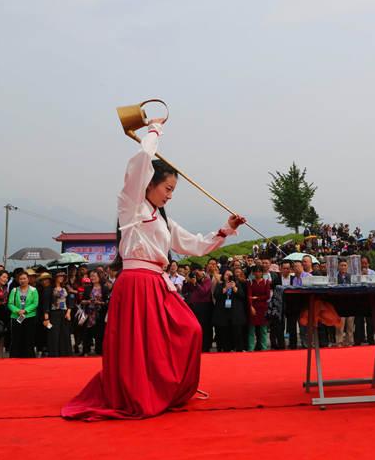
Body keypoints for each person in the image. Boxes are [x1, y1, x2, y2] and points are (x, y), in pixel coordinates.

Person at [62, 116, 245, 421]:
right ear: (150, 183)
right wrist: (154, 131)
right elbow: (142, 161)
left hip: (157, 284)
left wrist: (227, 228)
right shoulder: (131, 206)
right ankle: (141, 393)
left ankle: (168, 389)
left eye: (173, 190)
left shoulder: (162, 219)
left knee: (190, 329)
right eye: (168, 188)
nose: (170, 195)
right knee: (140, 346)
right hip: (135, 283)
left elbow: (195, 245)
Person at [212, 270, 247, 352]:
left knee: (237, 332)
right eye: (226, 275)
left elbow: (242, 296)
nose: (228, 276)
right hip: (223, 312)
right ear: (223, 276)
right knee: (225, 333)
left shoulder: (237, 284)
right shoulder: (220, 285)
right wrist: (225, 289)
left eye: (230, 275)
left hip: (235, 312)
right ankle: (226, 349)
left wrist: (234, 288)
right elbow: (216, 295)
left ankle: (239, 348)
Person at [8, 271, 39, 358]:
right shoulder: (14, 290)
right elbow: (10, 303)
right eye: (21, 279)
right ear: (18, 280)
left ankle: (29, 356)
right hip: (16, 317)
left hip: (30, 316)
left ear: (28, 279)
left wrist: (25, 310)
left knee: (29, 338)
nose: (23, 280)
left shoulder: (34, 290)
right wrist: (17, 311)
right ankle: (15, 356)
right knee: (16, 338)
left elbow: (35, 303)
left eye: (24, 278)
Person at [80, 271, 110, 356]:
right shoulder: (88, 288)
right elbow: (82, 301)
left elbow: (107, 302)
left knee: (100, 334)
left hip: (100, 314)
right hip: (89, 314)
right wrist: (88, 301)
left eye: (94, 276)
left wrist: (99, 303)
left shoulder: (104, 288)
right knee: (87, 333)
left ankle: (99, 351)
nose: (92, 278)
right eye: (91, 276)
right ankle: (85, 350)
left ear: (99, 277)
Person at [44, 271, 73, 357]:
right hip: (54, 313)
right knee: (54, 334)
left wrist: (68, 312)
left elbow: (70, 301)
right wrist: (46, 317)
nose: (61, 278)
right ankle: (54, 354)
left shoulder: (66, 288)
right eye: (59, 276)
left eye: (63, 276)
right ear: (55, 277)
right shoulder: (49, 289)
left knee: (65, 333)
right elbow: (46, 303)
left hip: (64, 313)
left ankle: (65, 354)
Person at [247, 265, 271, 351]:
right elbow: (249, 296)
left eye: (259, 271)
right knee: (251, 330)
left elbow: (267, 296)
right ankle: (251, 348)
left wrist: (257, 298)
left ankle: (264, 348)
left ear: (262, 273)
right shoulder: (250, 282)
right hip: (253, 307)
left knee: (263, 330)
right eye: (256, 271)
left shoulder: (266, 282)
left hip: (263, 308)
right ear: (253, 273)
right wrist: (251, 306)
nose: (257, 273)